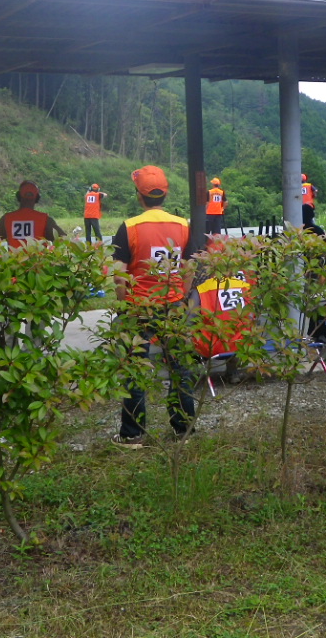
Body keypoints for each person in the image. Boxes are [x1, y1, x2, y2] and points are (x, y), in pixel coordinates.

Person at [110, 165, 196, 447]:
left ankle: (133, 434)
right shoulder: (182, 225)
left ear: (139, 195)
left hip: (139, 308)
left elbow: (119, 273)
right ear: (165, 193)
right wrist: (180, 298)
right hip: (172, 306)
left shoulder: (130, 227)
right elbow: (189, 267)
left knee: (135, 369)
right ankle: (184, 430)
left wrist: (125, 307)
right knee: (180, 369)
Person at [0, 181, 65, 247]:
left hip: (13, 263)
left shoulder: (7, 218)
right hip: (37, 263)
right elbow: (64, 240)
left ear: (18, 196)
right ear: (37, 198)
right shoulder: (45, 219)